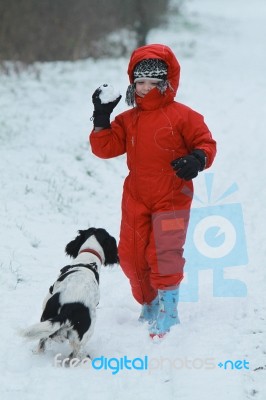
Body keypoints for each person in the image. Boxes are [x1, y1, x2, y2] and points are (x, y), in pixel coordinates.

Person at [89, 44, 216, 338]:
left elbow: (206, 144)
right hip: (136, 194)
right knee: (132, 256)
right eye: (140, 82)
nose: (146, 88)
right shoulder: (128, 119)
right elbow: (105, 148)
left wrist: (197, 159)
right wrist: (101, 118)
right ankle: (148, 301)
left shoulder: (184, 116)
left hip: (172, 194)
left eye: (153, 82)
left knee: (163, 253)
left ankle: (169, 311)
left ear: (167, 82)